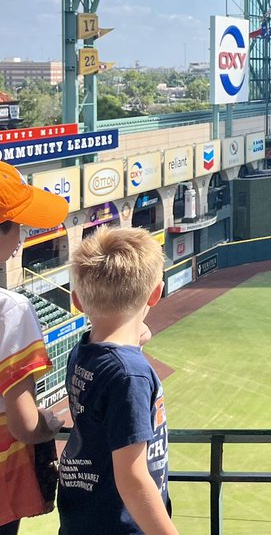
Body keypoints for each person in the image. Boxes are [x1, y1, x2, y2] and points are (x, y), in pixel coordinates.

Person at [57, 227, 175, 535]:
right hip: (119, 526)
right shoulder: (130, 375)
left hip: (83, 518)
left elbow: (130, 337)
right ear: (156, 293)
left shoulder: (85, 350)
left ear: (77, 301)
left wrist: (136, 334)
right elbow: (133, 480)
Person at [0, 160, 70, 535]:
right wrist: (50, 423)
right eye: (19, 226)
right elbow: (25, 425)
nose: (22, 238)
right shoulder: (10, 310)